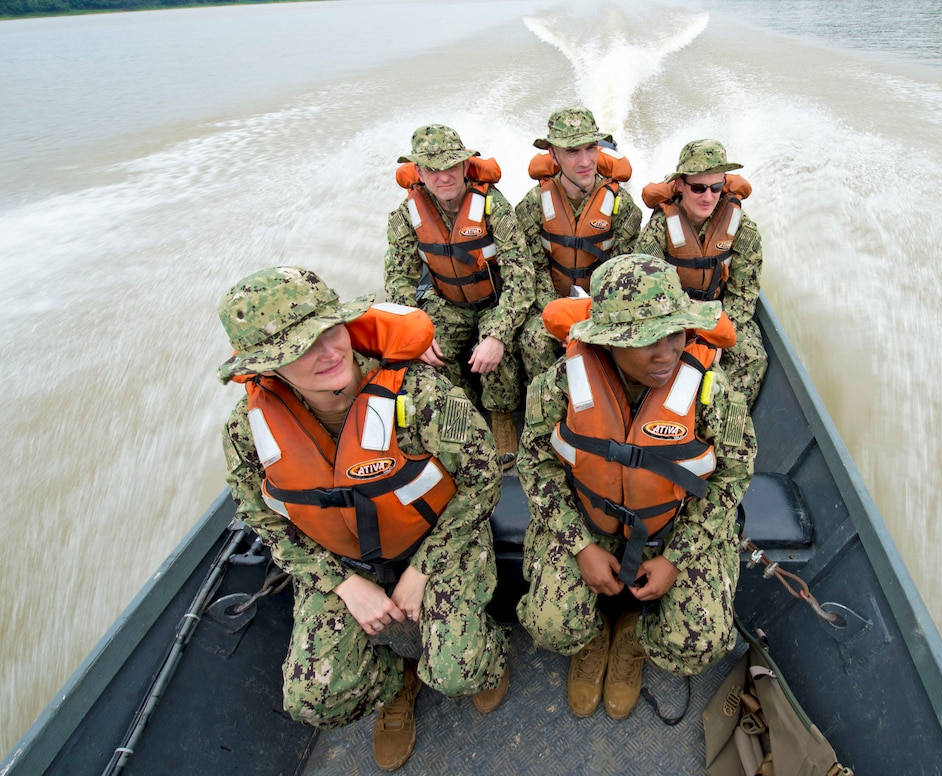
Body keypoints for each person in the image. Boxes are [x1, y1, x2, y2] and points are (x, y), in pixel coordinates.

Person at [217, 266, 510, 771]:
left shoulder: (419, 392)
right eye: (298, 349)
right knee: (313, 698)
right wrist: (342, 584)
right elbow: (261, 516)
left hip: (437, 539)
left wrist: (423, 569)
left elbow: (483, 478)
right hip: (338, 558)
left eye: (329, 333)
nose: (328, 354)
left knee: (461, 670)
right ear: (267, 367)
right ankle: (396, 681)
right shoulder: (249, 430)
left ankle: (485, 655)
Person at [516, 254, 756, 721]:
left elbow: (734, 472)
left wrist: (676, 557)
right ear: (607, 343)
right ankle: (590, 638)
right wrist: (579, 544)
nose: (666, 352)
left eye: (675, 332)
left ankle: (633, 638)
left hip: (674, 525)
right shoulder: (562, 385)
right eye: (647, 339)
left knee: (701, 641)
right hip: (590, 519)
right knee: (550, 626)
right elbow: (535, 462)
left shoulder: (708, 389)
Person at [385, 124, 533, 469]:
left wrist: (497, 334)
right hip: (445, 303)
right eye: (432, 169)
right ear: (419, 172)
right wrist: (414, 334)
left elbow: (520, 277)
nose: (443, 176)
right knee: (426, 358)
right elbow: (398, 279)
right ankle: (461, 414)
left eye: (451, 166)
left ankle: (500, 417)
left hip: (494, 300)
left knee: (501, 349)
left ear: (466, 166)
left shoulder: (494, 207)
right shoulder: (405, 216)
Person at [514, 106, 643, 385]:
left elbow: (622, 274)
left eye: (591, 148)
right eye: (572, 151)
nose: (585, 161)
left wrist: (589, 319)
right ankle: (548, 403)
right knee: (533, 340)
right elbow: (533, 269)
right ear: (553, 155)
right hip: (552, 302)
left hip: (604, 307)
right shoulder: (533, 204)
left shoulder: (623, 207)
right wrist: (563, 318)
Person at [636, 139, 768, 407]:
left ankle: (724, 419)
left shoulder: (743, 228)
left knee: (753, 356)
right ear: (681, 185)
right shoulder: (658, 229)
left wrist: (716, 332)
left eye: (716, 187)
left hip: (720, 312)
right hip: (670, 316)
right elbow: (646, 293)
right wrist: (684, 327)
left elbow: (744, 292)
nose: (707, 197)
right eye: (698, 188)